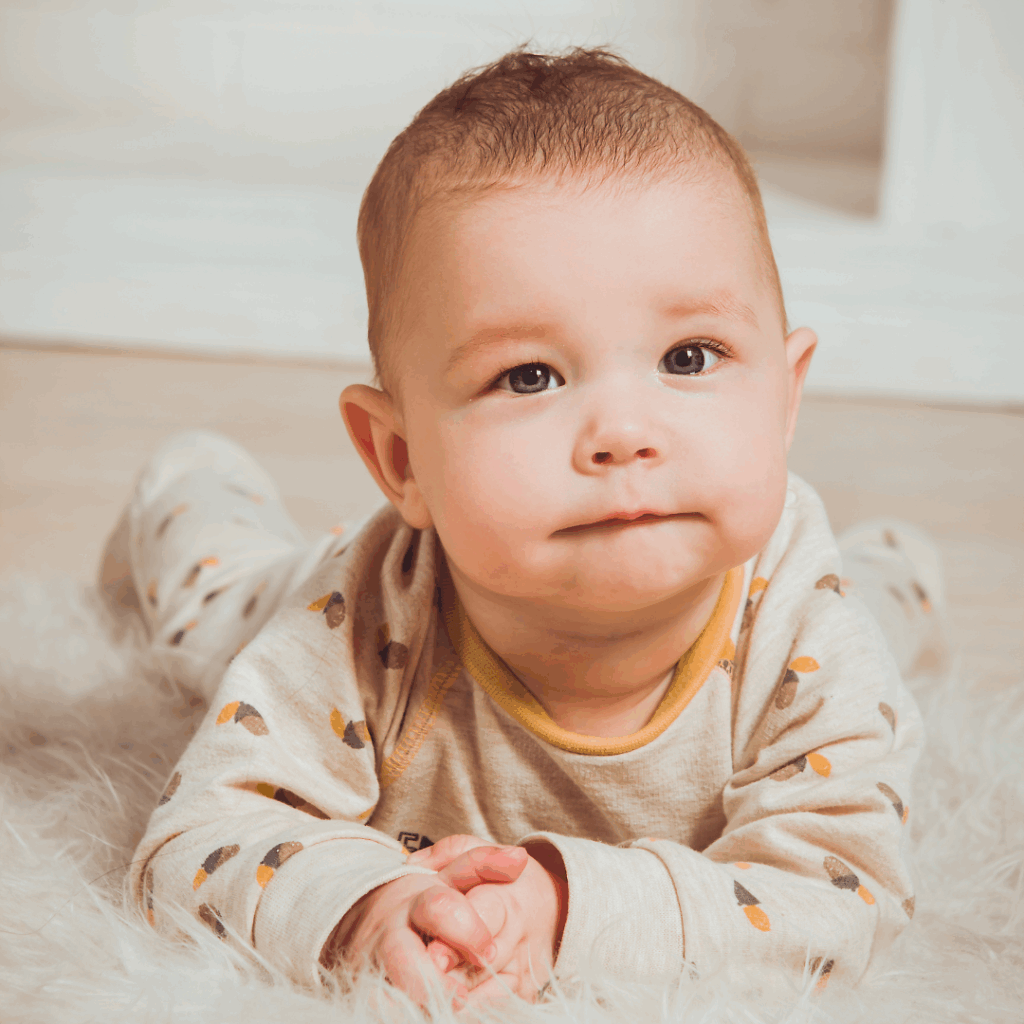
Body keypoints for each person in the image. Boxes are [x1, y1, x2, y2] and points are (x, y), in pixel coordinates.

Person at [105, 46, 943, 1010]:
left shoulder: (801, 631)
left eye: (690, 355)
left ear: (785, 402)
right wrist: (359, 905)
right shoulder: (357, 620)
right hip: (315, 582)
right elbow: (196, 842)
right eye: (529, 377)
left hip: (805, 598)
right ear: (402, 461)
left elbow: (841, 899)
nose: (625, 433)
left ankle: (894, 570)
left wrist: (570, 907)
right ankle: (194, 476)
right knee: (208, 612)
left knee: (870, 642)